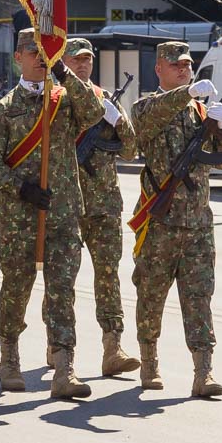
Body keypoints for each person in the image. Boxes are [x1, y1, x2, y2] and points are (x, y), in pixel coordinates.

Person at [0, 27, 105, 400]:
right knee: (16, 288)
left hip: (63, 213)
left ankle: (64, 367)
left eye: (45, 53)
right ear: (18, 57)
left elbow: (94, 113)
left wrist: (64, 73)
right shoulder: (4, 110)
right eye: (33, 53)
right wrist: (21, 187)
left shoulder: (64, 100)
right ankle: (10, 355)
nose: (39, 59)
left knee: (62, 291)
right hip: (19, 217)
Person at [130, 41, 222, 398]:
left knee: (199, 298)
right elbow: (150, 118)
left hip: (198, 225)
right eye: (176, 66)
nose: (184, 70)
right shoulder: (145, 107)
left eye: (188, 66)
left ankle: (203, 372)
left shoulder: (199, 113)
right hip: (161, 223)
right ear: (159, 68)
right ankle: (149, 361)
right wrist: (187, 94)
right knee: (151, 295)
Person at [63, 37, 143, 378]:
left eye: (87, 60)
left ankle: (113, 346)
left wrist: (117, 121)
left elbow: (129, 151)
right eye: (75, 60)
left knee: (108, 277)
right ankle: (59, 347)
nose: (83, 65)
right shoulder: (56, 100)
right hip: (65, 204)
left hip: (105, 205)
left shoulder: (104, 100)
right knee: (61, 279)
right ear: (62, 62)